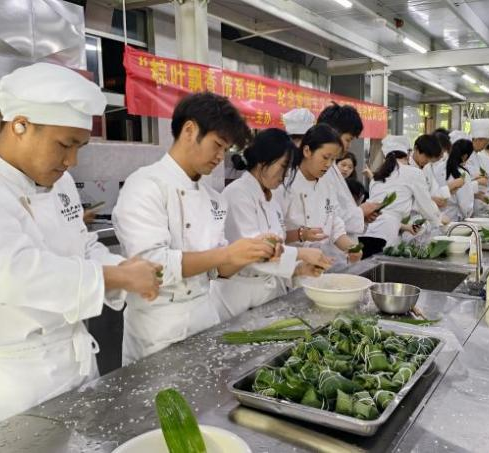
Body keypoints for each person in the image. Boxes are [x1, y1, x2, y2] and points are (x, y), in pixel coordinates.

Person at [0, 63, 162, 428]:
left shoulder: (59, 182)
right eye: (65, 145)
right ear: (20, 125)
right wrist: (117, 278)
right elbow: (15, 275)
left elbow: (83, 244)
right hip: (19, 383)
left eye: (79, 147)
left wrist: (122, 268)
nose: (72, 161)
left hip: (77, 362)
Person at [113, 92, 277, 365]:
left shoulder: (213, 198)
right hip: (157, 330)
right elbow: (153, 265)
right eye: (217, 145)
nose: (220, 157)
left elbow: (218, 269)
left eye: (226, 149)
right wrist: (226, 254)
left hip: (204, 319)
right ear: (189, 130)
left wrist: (253, 252)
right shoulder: (145, 185)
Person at [210, 129, 333, 320]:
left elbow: (277, 248)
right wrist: (301, 253)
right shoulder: (237, 195)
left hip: (268, 294)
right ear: (263, 160)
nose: (286, 174)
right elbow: (254, 251)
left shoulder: (272, 201)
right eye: (283, 166)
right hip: (238, 297)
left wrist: (299, 269)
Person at [280, 124, 363, 266]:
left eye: (333, 160)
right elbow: (274, 235)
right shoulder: (285, 184)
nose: (328, 164)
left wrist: (350, 248)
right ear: (307, 151)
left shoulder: (326, 183)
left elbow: (334, 222)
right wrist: (301, 234)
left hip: (318, 264)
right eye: (325, 157)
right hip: (290, 265)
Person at [360, 135, 443, 258]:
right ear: (408, 154)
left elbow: (383, 213)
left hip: (368, 231)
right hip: (387, 234)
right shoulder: (414, 173)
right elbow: (426, 207)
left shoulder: (377, 176)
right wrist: (438, 223)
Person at [316, 103, 380, 236]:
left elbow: (336, 212)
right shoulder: (318, 170)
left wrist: (361, 215)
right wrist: (361, 212)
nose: (348, 146)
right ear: (332, 133)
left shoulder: (332, 167)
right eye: (347, 140)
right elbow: (328, 216)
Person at [434, 138, 475, 222]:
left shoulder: (438, 167)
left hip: (437, 217)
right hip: (453, 220)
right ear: (465, 156)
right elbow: (465, 205)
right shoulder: (462, 174)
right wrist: (468, 216)